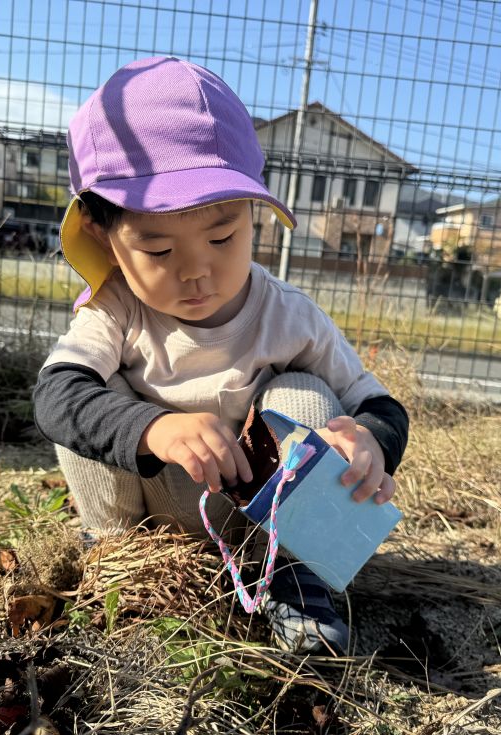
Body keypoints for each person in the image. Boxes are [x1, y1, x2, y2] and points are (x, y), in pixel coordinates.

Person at [33, 56, 408, 654]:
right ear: (104, 235)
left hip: (266, 517)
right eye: (157, 248)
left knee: (305, 393)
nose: (197, 270)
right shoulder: (115, 309)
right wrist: (153, 427)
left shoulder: (288, 314)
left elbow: (378, 403)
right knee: (93, 401)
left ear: (254, 215)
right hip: (156, 509)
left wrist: (368, 441)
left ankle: (292, 572)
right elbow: (56, 397)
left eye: (222, 237)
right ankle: (114, 558)